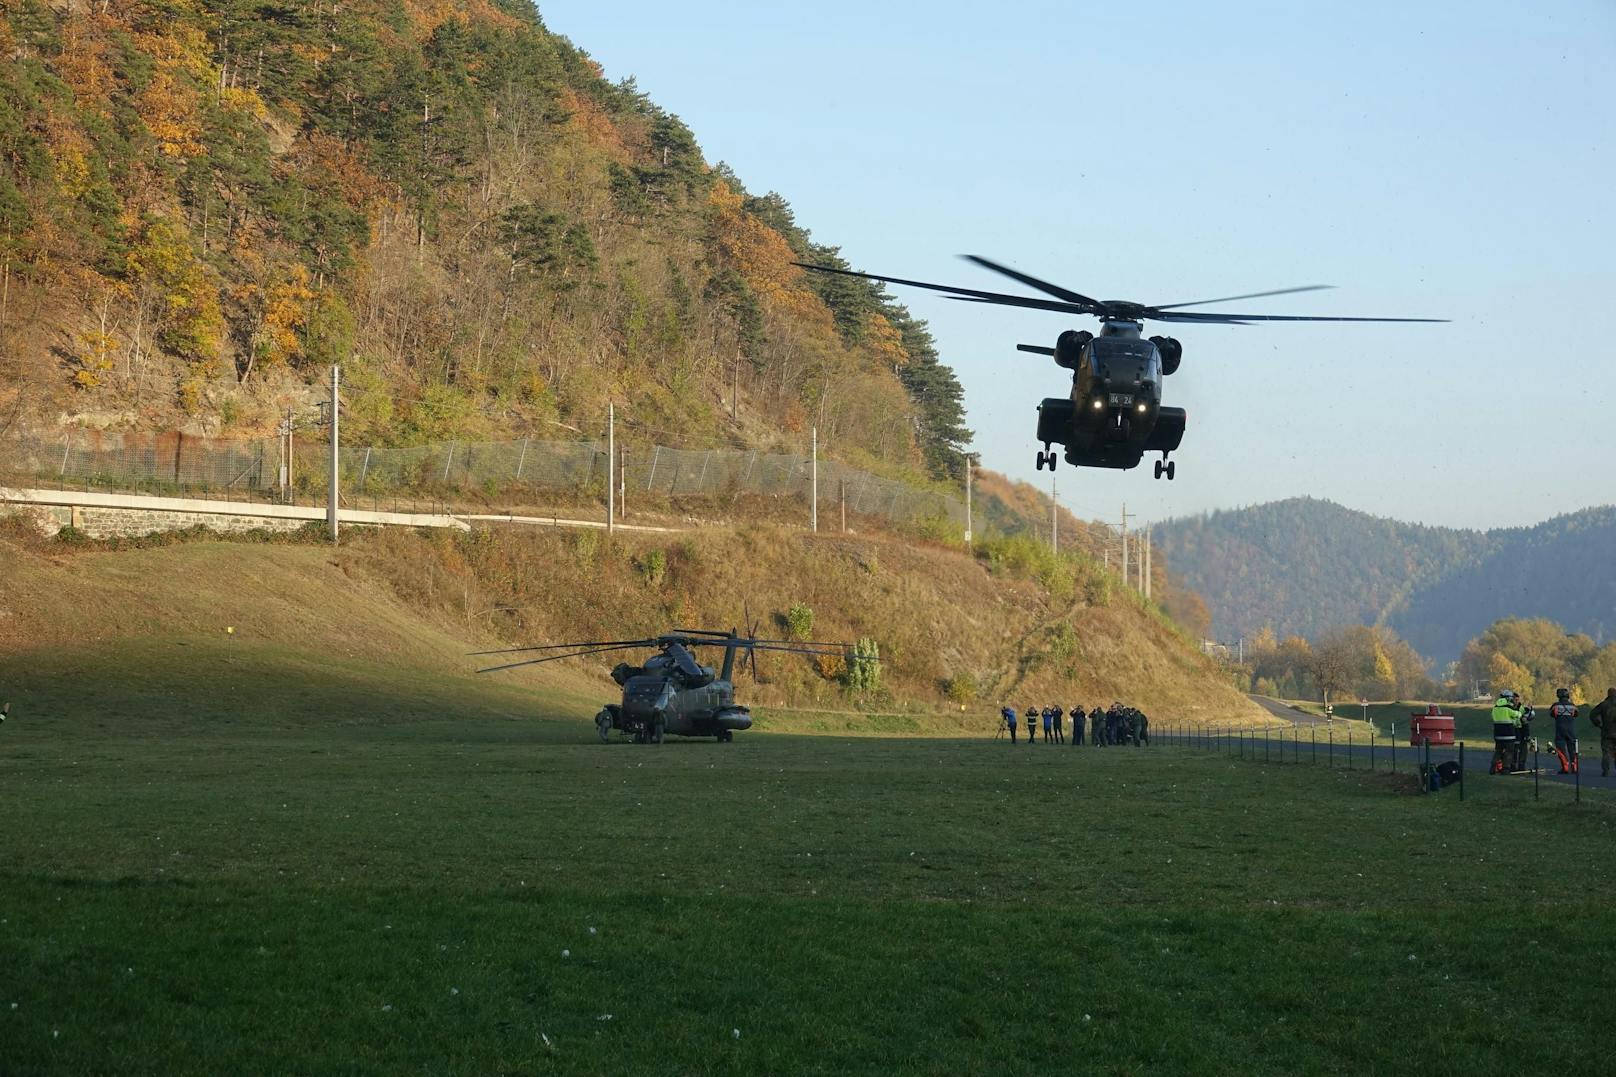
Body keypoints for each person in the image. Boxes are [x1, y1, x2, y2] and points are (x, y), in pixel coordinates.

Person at [1490, 690, 1523, 775]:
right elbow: (1517, 714)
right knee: (1509, 751)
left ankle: (1493, 767)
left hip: (1498, 734)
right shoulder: (1509, 707)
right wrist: (1519, 713)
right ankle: (1506, 769)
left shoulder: (1495, 708)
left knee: (1498, 751)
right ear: (1508, 698)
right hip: (1509, 734)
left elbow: (1493, 717)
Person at [1548, 688, 1578, 774]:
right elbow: (1576, 714)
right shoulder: (1573, 706)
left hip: (1560, 730)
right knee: (1572, 749)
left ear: (1558, 696)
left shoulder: (1555, 705)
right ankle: (1574, 767)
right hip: (1571, 730)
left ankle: (1565, 767)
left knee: (1561, 748)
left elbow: (1552, 714)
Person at [1590, 688, 1616, 777]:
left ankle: (1606, 771)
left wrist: (1598, 724)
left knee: (1606, 753)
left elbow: (1592, 714)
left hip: (1607, 732)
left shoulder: (1604, 704)